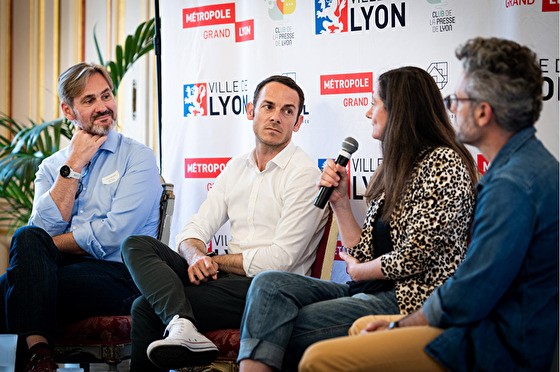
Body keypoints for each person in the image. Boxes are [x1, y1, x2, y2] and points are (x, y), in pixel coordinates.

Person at [299, 37, 559, 372]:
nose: (450, 108)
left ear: (483, 112)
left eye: (456, 99)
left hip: (492, 343)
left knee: (318, 360)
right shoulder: (527, 166)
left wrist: (401, 325)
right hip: (487, 327)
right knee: (358, 326)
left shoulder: (511, 185)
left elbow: (471, 292)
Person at [237, 66, 479, 372]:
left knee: (285, 322)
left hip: (414, 300)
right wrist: (339, 202)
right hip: (371, 291)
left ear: (398, 110)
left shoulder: (444, 162)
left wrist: (361, 271)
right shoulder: (394, 167)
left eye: (374, 103)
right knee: (269, 285)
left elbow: (417, 254)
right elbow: (363, 251)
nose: (367, 113)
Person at [121, 75, 329, 371]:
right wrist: (195, 255)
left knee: (144, 308)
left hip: (270, 289)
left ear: (297, 123)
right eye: (268, 106)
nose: (276, 117)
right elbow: (194, 229)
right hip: (228, 280)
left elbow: (280, 261)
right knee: (137, 245)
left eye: (287, 111)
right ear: (250, 111)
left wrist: (214, 262)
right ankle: (182, 324)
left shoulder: (304, 175)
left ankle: (181, 323)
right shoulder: (236, 167)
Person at [0, 62, 162, 371]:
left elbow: (114, 235)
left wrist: (50, 246)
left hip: (121, 277)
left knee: (15, 287)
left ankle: (37, 359)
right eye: (89, 101)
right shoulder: (53, 166)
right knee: (26, 246)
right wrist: (73, 165)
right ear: (69, 110)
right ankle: (41, 357)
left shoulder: (137, 157)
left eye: (106, 95)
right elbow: (39, 231)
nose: (104, 107)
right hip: (65, 274)